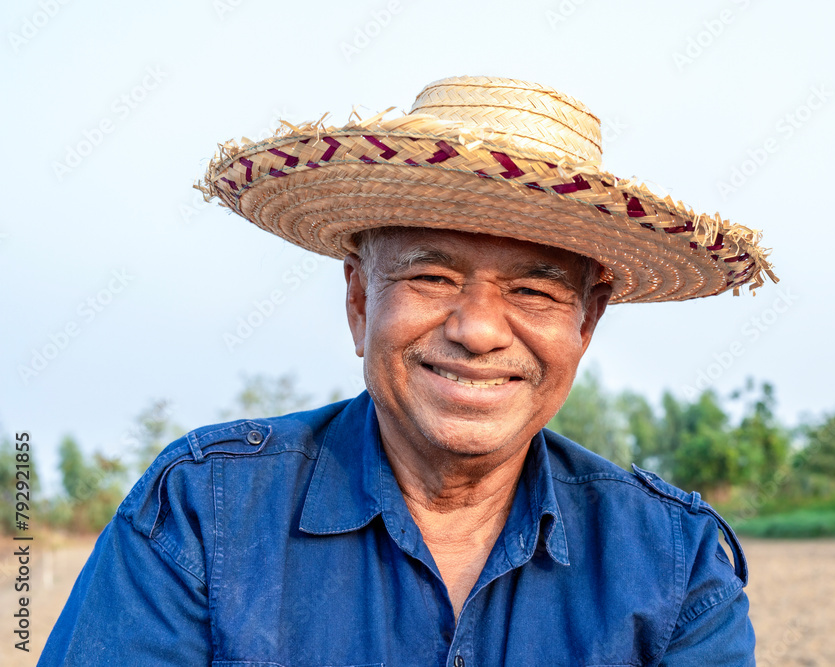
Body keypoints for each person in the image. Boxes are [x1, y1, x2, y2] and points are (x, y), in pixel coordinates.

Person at [40, 75, 775, 666]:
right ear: (360, 298)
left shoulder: (675, 565)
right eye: (431, 277)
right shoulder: (203, 510)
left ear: (586, 322)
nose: (479, 330)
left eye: (534, 289)